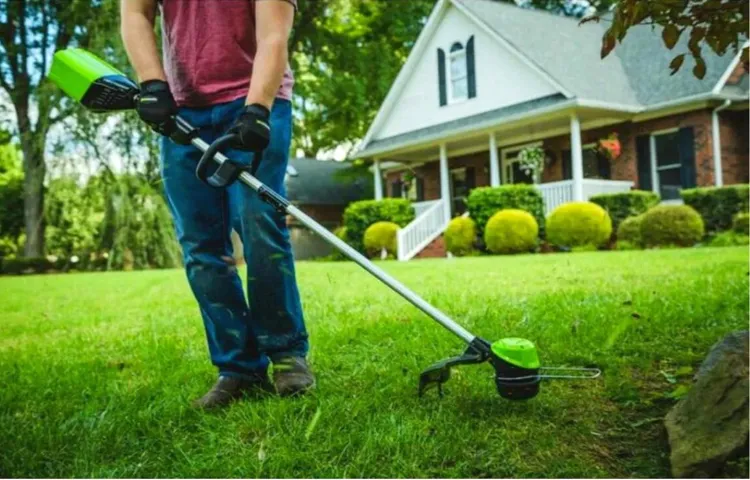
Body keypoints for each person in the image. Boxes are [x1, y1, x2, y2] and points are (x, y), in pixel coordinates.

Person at [120, 0, 314, 409]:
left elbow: (274, 34)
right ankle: (238, 368)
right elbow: (135, 14)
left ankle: (287, 355)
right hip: (182, 111)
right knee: (200, 245)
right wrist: (152, 85)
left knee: (259, 226)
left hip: (253, 100)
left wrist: (257, 109)